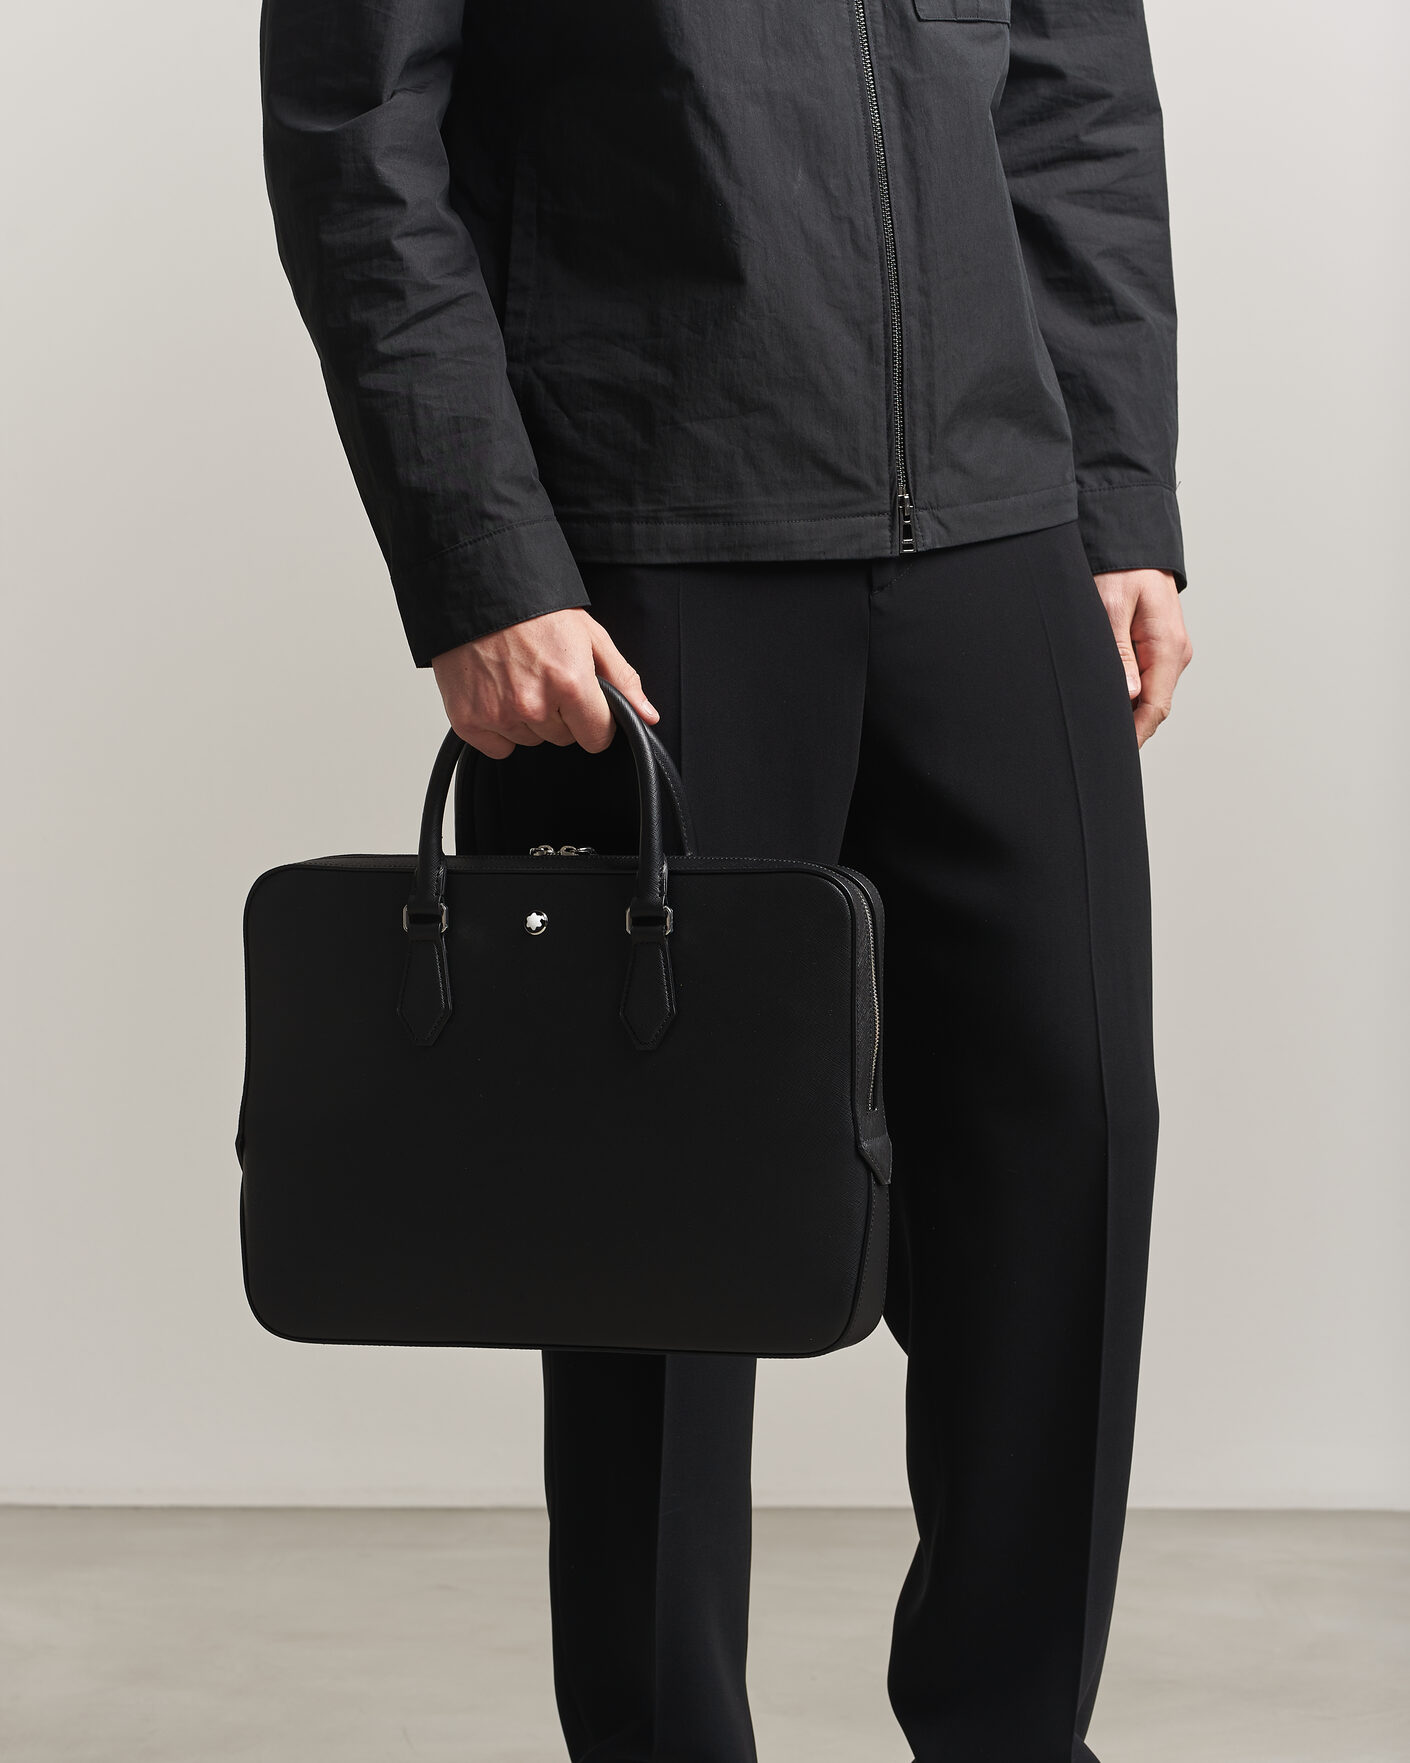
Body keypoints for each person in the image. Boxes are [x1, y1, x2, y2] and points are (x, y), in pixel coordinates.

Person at [260, 2, 1192, 1757]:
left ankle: (1011, 1736)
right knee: (653, 1210)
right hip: (646, 540)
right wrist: (481, 558)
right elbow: (355, 140)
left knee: (1063, 1151)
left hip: (1002, 532)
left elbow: (1075, 106)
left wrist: (1122, 495)